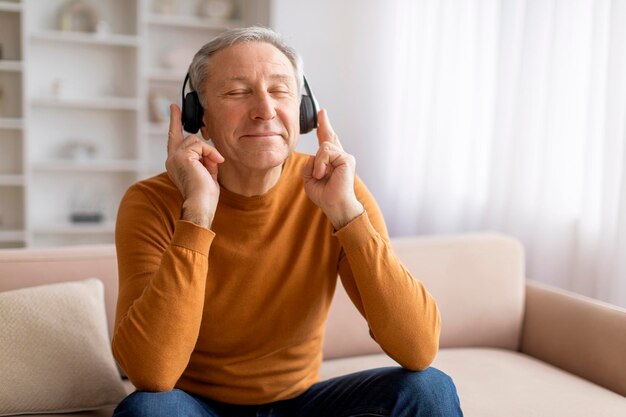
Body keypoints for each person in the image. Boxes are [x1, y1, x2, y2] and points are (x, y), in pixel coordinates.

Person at [111, 26, 463, 417]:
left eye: (280, 91)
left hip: (303, 404)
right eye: (237, 92)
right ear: (200, 118)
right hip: (195, 407)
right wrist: (198, 212)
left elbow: (418, 347)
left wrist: (346, 213)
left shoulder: (338, 192)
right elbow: (151, 373)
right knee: (149, 411)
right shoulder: (151, 202)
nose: (264, 109)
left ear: (303, 111)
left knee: (428, 389)